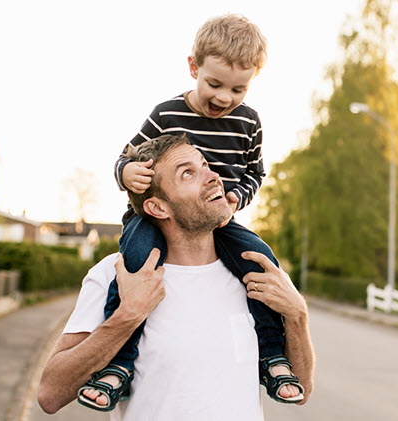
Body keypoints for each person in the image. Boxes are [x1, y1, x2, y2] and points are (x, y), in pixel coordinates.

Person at [78, 14, 299, 411]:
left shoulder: (249, 122)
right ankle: (118, 365)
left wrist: (236, 198)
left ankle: (270, 354)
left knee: (262, 263)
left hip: (219, 218)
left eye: (239, 89)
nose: (224, 98)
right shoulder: (166, 114)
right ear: (194, 67)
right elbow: (126, 156)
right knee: (132, 265)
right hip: (152, 217)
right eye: (214, 84)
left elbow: (254, 172)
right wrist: (125, 172)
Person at [37, 134, 315, 420]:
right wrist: (127, 316)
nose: (213, 177)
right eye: (188, 173)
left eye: (205, 165)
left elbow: (302, 390)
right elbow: (50, 394)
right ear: (158, 207)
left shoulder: (255, 271)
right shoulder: (116, 274)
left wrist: (297, 316)